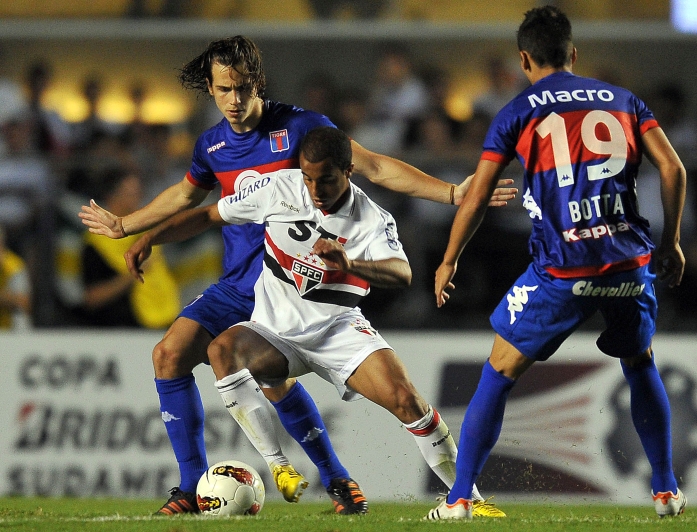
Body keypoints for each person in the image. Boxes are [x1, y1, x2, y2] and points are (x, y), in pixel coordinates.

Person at [79, 35, 514, 515]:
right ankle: (192, 488)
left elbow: (373, 167)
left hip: (309, 290)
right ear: (211, 88)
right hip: (243, 282)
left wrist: (453, 194)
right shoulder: (212, 145)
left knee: (289, 381)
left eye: (243, 88)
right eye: (224, 90)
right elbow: (190, 202)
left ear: (258, 84)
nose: (235, 100)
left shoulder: (304, 129)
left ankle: (346, 479)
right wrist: (132, 226)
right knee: (170, 355)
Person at [426, 6, 687, 520]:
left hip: (563, 268)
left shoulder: (518, 111)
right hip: (627, 264)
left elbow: (477, 196)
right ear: (574, 53)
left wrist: (450, 258)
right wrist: (672, 242)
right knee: (639, 362)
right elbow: (673, 168)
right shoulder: (624, 101)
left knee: (499, 371)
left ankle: (458, 498)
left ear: (524, 58)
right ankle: (665, 490)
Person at [80, 166, 180, 328]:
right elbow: (92, 298)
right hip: (122, 330)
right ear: (112, 196)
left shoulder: (147, 233)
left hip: (162, 320)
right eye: (131, 194)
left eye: (139, 193)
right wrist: (132, 273)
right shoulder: (96, 244)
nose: (138, 199)